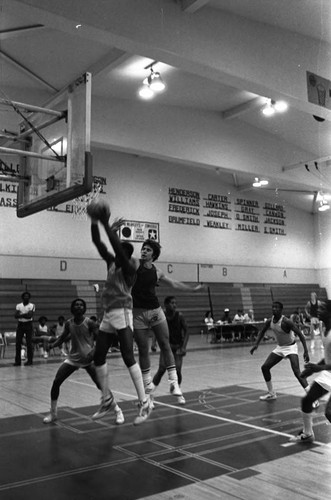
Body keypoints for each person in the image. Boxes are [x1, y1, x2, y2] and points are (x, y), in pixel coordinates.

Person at [90, 213, 152, 426]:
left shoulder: (129, 267)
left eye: (119, 252)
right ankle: (106, 399)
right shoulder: (111, 262)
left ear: (124, 255)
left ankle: (144, 402)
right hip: (108, 313)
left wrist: (108, 225)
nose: (115, 253)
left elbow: (116, 249)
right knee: (98, 357)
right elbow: (98, 242)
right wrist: (94, 221)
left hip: (123, 311)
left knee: (127, 356)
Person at [132, 239, 204, 400]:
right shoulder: (134, 264)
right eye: (143, 249)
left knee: (165, 344)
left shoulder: (157, 272)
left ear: (154, 254)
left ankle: (175, 384)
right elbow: (119, 254)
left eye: (148, 249)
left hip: (155, 310)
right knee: (143, 350)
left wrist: (191, 289)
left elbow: (174, 284)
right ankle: (147, 387)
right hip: (137, 313)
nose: (144, 251)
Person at [43, 298, 123, 425]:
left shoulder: (90, 323)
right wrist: (52, 345)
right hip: (73, 359)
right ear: (72, 308)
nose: (79, 306)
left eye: (81, 305)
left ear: (84, 308)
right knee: (56, 382)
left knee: (102, 386)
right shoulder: (69, 323)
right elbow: (63, 338)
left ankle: (118, 411)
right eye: (76, 305)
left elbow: (101, 339)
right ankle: (53, 413)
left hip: (88, 359)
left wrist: (93, 352)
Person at [250, 301, 314, 402]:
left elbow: (301, 335)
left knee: (297, 372)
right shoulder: (270, 321)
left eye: (276, 307)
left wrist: (306, 351)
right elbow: (262, 332)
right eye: (273, 307)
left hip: (291, 347)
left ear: (281, 310)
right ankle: (271, 394)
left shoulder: (286, 321)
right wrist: (256, 344)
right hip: (280, 348)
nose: (274, 309)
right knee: (265, 367)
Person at [290, 300, 331, 443]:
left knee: (329, 413)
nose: (318, 311)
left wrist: (318, 368)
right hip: (328, 374)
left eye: (323, 309)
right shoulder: (323, 329)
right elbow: (328, 358)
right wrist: (311, 371)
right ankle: (308, 433)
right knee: (307, 401)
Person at [152, 296, 189, 405]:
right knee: (162, 369)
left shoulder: (180, 316)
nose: (175, 305)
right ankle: (150, 395)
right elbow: (156, 330)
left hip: (178, 347)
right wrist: (153, 343)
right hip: (166, 347)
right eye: (172, 303)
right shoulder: (161, 316)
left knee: (177, 371)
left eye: (175, 303)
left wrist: (184, 347)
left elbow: (187, 331)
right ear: (166, 305)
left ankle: (178, 391)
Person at [14, 291, 35, 366]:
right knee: (18, 343)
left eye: (27, 296)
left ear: (29, 298)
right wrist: (25, 314)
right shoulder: (18, 305)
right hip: (20, 325)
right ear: (22, 297)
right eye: (25, 296)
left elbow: (30, 316)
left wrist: (21, 314)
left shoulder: (32, 305)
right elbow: (15, 316)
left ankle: (30, 361)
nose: (26, 297)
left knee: (29, 343)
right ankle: (17, 361)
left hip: (28, 325)